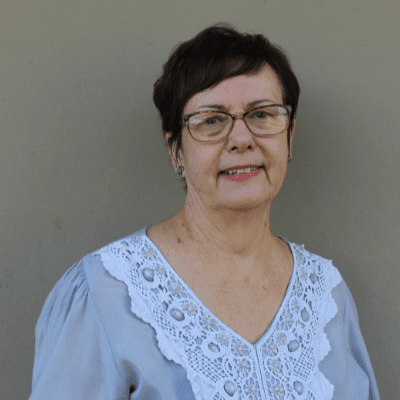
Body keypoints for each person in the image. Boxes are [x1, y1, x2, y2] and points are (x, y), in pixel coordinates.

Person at [28, 24, 380, 399]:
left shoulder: (325, 295)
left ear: (289, 137)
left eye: (262, 115)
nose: (242, 139)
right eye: (211, 120)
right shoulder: (106, 293)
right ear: (176, 151)